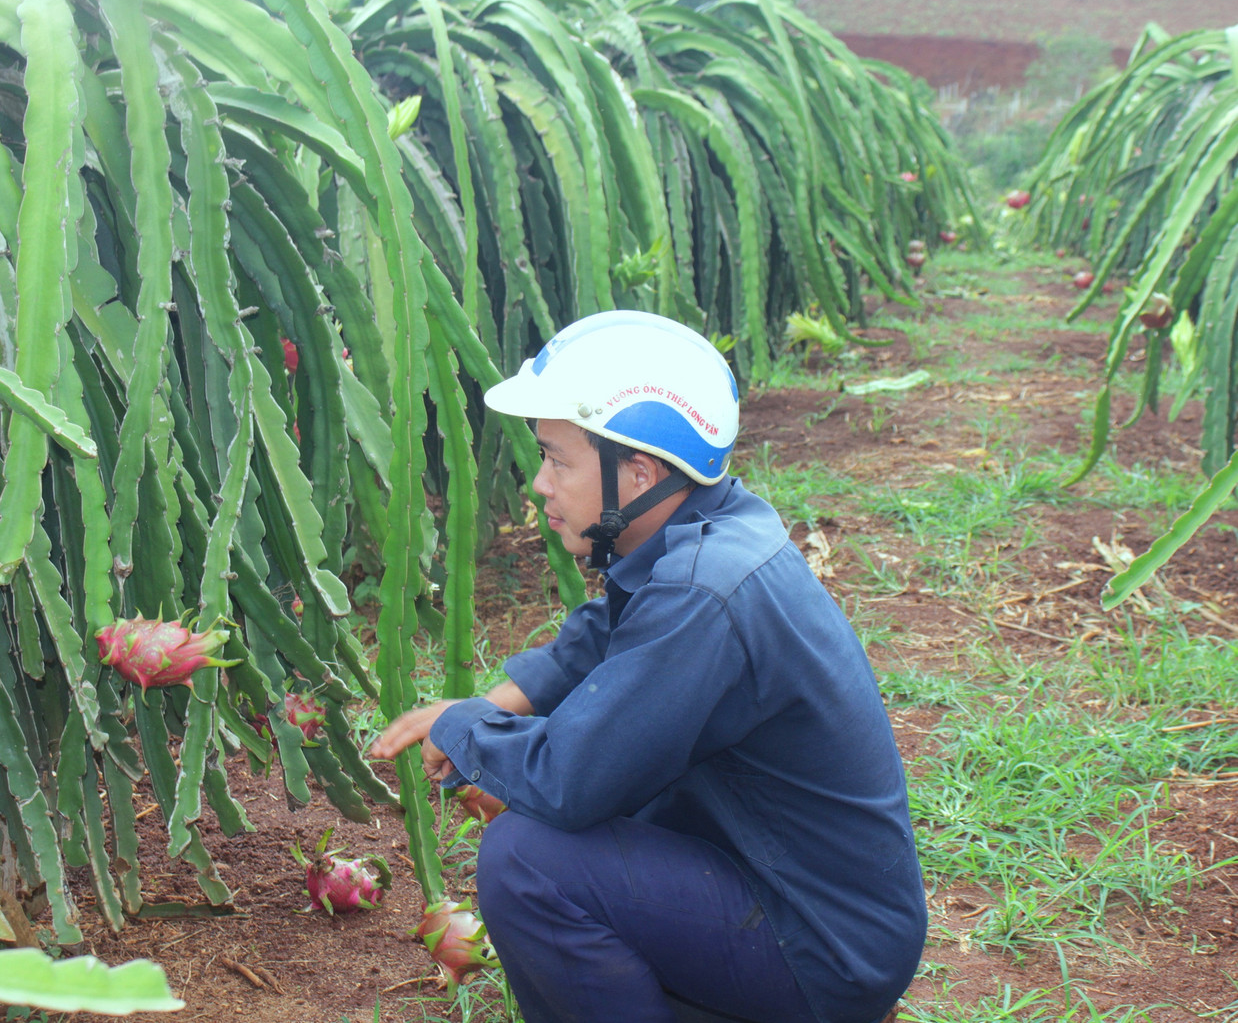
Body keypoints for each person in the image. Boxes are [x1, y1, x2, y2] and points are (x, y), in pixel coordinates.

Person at [371, 311, 926, 1023]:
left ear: (638, 470)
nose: (540, 485)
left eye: (557, 460)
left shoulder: (703, 593)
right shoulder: (716, 528)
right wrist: (502, 702)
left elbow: (570, 780)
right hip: (821, 902)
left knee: (527, 861)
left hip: (824, 947)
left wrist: (467, 727)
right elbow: (605, 634)